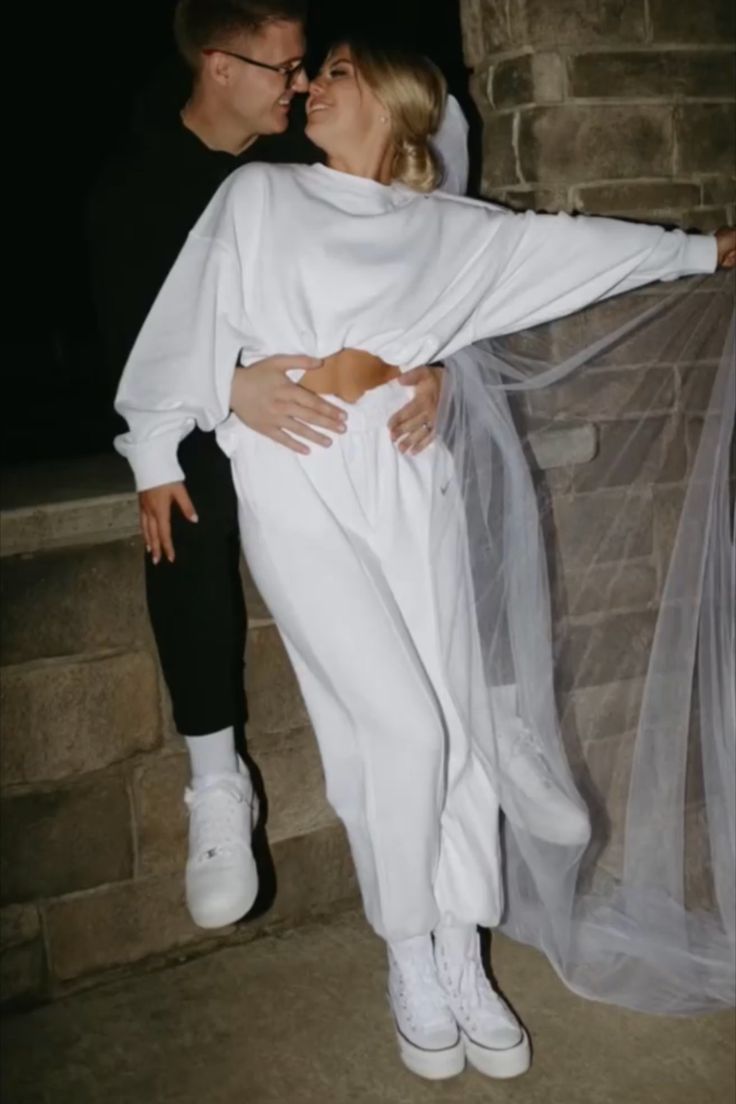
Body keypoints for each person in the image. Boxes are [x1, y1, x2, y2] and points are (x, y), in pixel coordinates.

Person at [113, 39, 736, 1083]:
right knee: (398, 722)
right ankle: (407, 947)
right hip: (294, 482)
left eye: (336, 72)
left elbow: (577, 249)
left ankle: (461, 949)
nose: (311, 83)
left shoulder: (454, 233)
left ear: (398, 103)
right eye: (310, 74)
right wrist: (159, 444)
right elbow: (181, 324)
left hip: (412, 480)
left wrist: (705, 252)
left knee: (445, 714)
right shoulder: (259, 201)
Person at [87, 0, 467, 931]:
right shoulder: (130, 188)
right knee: (180, 507)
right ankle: (216, 777)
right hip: (206, 430)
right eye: (287, 68)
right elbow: (130, 350)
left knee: (419, 475)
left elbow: (410, 265)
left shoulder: (300, 166)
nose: (301, 86)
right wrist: (228, 389)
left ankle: (488, 734)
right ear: (221, 67)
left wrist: (432, 369)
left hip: (323, 428)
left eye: (311, 70)